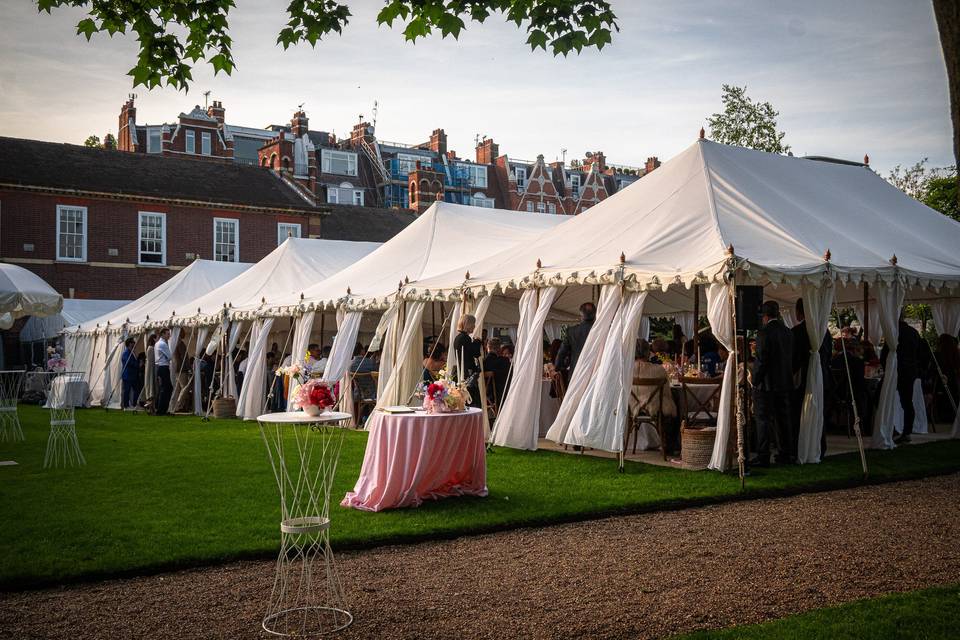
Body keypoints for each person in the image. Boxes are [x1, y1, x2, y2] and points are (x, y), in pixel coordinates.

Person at [750, 301, 794, 466]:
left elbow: (762, 360)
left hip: (767, 384)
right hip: (784, 382)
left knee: (763, 420)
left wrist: (754, 380)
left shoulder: (764, 333)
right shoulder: (788, 332)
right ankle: (786, 453)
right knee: (783, 419)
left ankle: (763, 456)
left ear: (765, 316)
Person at [790, 298, 833, 457]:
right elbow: (828, 355)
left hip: (803, 380)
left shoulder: (797, 332)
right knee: (818, 413)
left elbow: (793, 360)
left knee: (799, 415)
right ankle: (819, 446)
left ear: (800, 312)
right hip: (822, 377)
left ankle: (800, 446)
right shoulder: (824, 331)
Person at [881, 315, 923, 444]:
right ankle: (906, 431)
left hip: (897, 370)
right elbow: (920, 353)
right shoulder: (914, 332)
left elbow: (885, 354)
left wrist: (885, 368)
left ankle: (888, 427)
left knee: (882, 397)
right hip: (910, 371)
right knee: (907, 402)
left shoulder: (895, 333)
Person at [631, 339, 679, 452]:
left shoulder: (627, 370)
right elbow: (667, 393)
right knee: (676, 402)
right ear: (648, 352)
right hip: (654, 407)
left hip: (633, 407)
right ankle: (671, 443)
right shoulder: (659, 370)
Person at [555, 302, 596, 379]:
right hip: (595, 373)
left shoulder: (571, 331)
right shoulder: (601, 330)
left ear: (581, 314)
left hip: (576, 373)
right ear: (595, 314)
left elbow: (562, 353)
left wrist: (557, 367)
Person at [453, 314, 483, 406]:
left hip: (462, 372)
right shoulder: (465, 338)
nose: (474, 326)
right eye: (473, 324)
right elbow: (475, 353)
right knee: (471, 400)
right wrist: (477, 342)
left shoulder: (458, 337)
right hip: (468, 374)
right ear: (468, 324)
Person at [483, 337, 511, 405]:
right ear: (499, 349)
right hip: (505, 395)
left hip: (487, 395)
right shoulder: (505, 361)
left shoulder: (484, 362)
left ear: (488, 348)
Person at [155, 328, 174, 415]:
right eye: (167, 334)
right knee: (166, 388)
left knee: (165, 388)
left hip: (160, 367)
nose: (169, 335)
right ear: (162, 334)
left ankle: (161, 409)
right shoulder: (163, 344)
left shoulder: (158, 343)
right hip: (163, 367)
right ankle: (161, 410)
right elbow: (170, 356)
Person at [119, 337, 138, 409]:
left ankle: (134, 404)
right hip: (128, 375)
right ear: (130, 344)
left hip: (132, 375)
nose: (134, 344)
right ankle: (126, 405)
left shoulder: (132, 352)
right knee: (127, 390)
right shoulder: (126, 352)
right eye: (133, 342)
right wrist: (137, 365)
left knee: (136, 390)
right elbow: (128, 362)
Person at [141, 334, 157, 412]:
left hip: (151, 370)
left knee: (152, 389)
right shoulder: (151, 348)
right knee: (150, 388)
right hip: (150, 371)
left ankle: (152, 407)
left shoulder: (152, 348)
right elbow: (151, 362)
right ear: (153, 339)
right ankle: (150, 407)